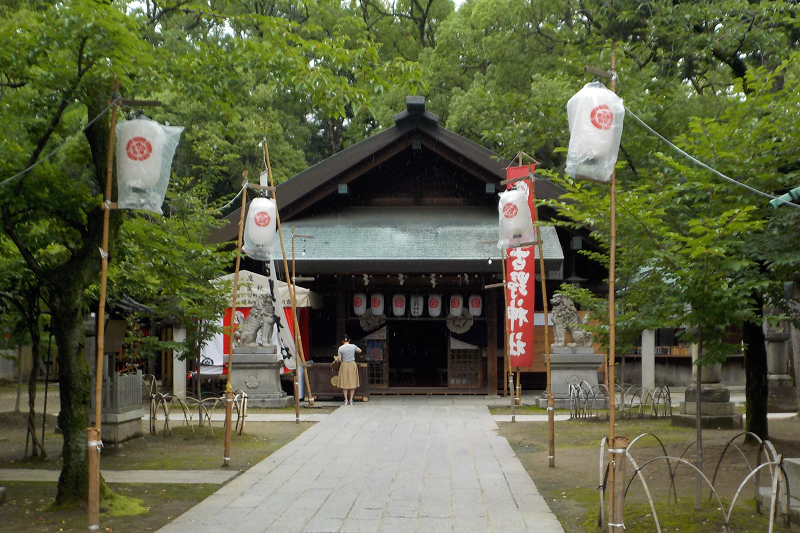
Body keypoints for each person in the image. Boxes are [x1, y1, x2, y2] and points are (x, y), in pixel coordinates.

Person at [336, 335, 361, 404]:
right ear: (349, 340)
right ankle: (351, 399)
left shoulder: (340, 348)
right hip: (352, 364)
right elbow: (360, 350)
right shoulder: (353, 346)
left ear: (342, 341)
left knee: (345, 382)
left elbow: (339, 359)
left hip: (344, 364)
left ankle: (346, 400)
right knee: (352, 381)